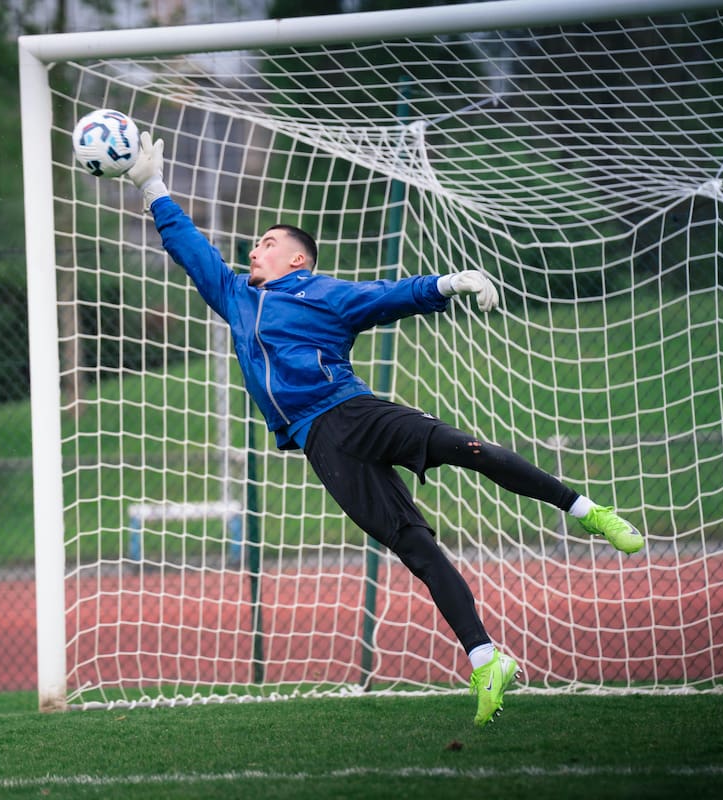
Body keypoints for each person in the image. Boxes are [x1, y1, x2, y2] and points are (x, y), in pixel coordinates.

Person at [123, 130, 643, 727]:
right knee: (414, 547)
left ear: (297, 258)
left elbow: (387, 296)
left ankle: (585, 511)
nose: (254, 250)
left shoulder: (323, 293)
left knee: (462, 448)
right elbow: (194, 252)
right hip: (322, 444)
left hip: (355, 412)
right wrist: (153, 187)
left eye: (268, 243)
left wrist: (448, 284)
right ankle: (486, 659)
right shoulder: (235, 296)